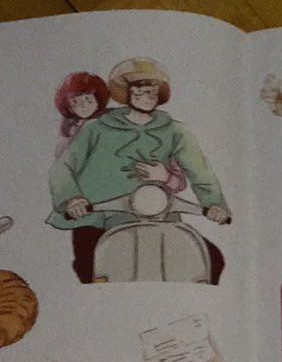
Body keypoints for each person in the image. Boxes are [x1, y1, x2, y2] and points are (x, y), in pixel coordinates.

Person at [47, 58, 230, 284]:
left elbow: (200, 170)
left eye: (152, 93)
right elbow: (62, 166)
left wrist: (214, 205)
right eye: (140, 92)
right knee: (92, 269)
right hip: (97, 213)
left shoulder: (175, 131)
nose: (146, 98)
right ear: (127, 93)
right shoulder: (97, 127)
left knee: (211, 260)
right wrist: (72, 199)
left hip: (156, 211)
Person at [53, 71, 109, 156]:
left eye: (88, 100)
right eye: (75, 102)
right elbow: (61, 155)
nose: (84, 106)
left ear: (98, 99)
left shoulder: (108, 119)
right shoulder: (69, 127)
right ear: (69, 106)